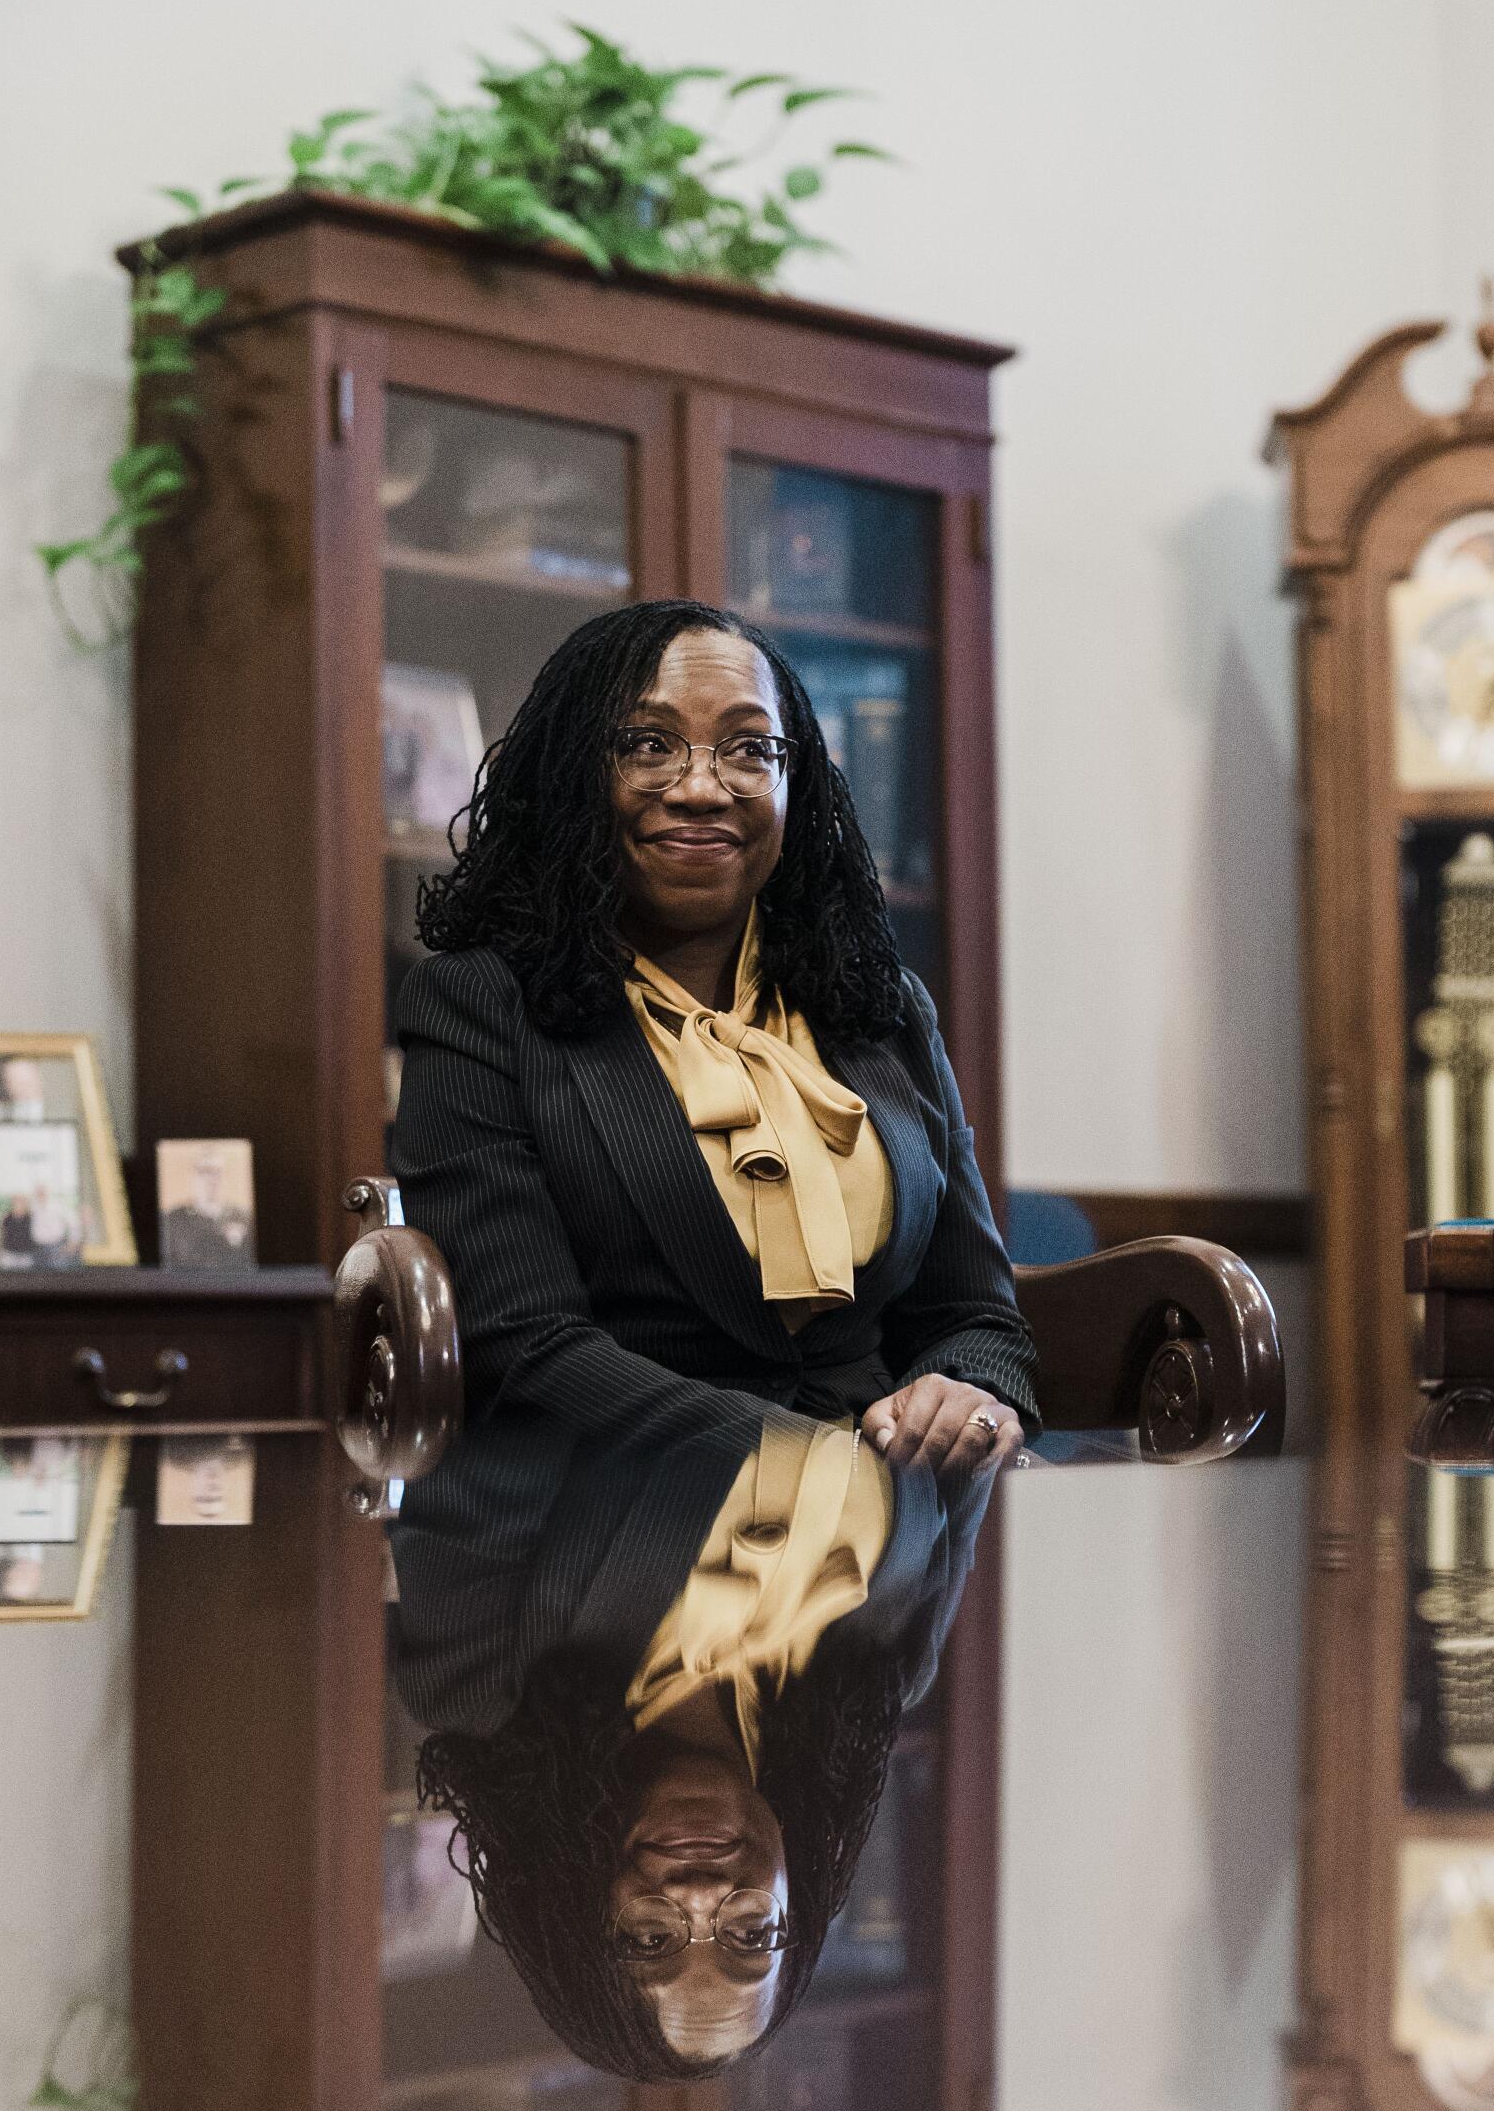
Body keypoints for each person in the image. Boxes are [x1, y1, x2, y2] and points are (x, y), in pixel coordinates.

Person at [395, 600, 1036, 1472]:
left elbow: (974, 1315)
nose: (701, 788)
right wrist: (808, 1465)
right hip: (602, 1539)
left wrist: (965, 1392)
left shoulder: (881, 1009)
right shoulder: (477, 1005)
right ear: (573, 775)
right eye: (647, 745)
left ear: (795, 784)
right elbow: (527, 1349)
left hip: (878, 1556)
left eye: (748, 749)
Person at [394, 1406, 993, 2082]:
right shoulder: (884, 1673)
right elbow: (970, 1402)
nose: (706, 1894)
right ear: (803, 1898)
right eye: (751, 1936)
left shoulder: (476, 1674)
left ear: (573, 1907)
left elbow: (506, 1379)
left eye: (651, 1940)